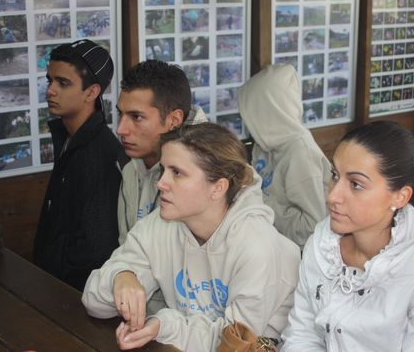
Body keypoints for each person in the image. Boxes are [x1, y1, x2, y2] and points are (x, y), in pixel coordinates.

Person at [82, 123, 300, 351]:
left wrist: (164, 325)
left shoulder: (258, 246)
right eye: (163, 169)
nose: (160, 183)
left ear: (218, 188)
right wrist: (122, 276)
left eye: (177, 173)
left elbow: (233, 343)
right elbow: (94, 303)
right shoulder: (161, 224)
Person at [281, 121, 414, 351]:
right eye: (335, 175)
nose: (332, 196)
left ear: (400, 197)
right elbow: (302, 334)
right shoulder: (321, 246)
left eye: (356, 184)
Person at [33, 39, 128, 291]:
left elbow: (96, 250)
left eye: (63, 83)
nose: (51, 90)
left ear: (92, 92)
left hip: (73, 299)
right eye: (49, 80)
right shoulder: (70, 138)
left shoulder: (99, 154)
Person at [238, 64, 331, 249]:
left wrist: (257, 200)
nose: (248, 121)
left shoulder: (301, 155)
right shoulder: (264, 144)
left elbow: (312, 229)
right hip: (269, 243)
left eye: (253, 112)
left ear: (271, 110)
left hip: (299, 257)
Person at [116, 60, 207, 245]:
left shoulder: (208, 172)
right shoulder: (130, 166)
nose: (121, 129)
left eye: (136, 117)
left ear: (174, 119)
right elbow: (125, 248)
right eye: (121, 114)